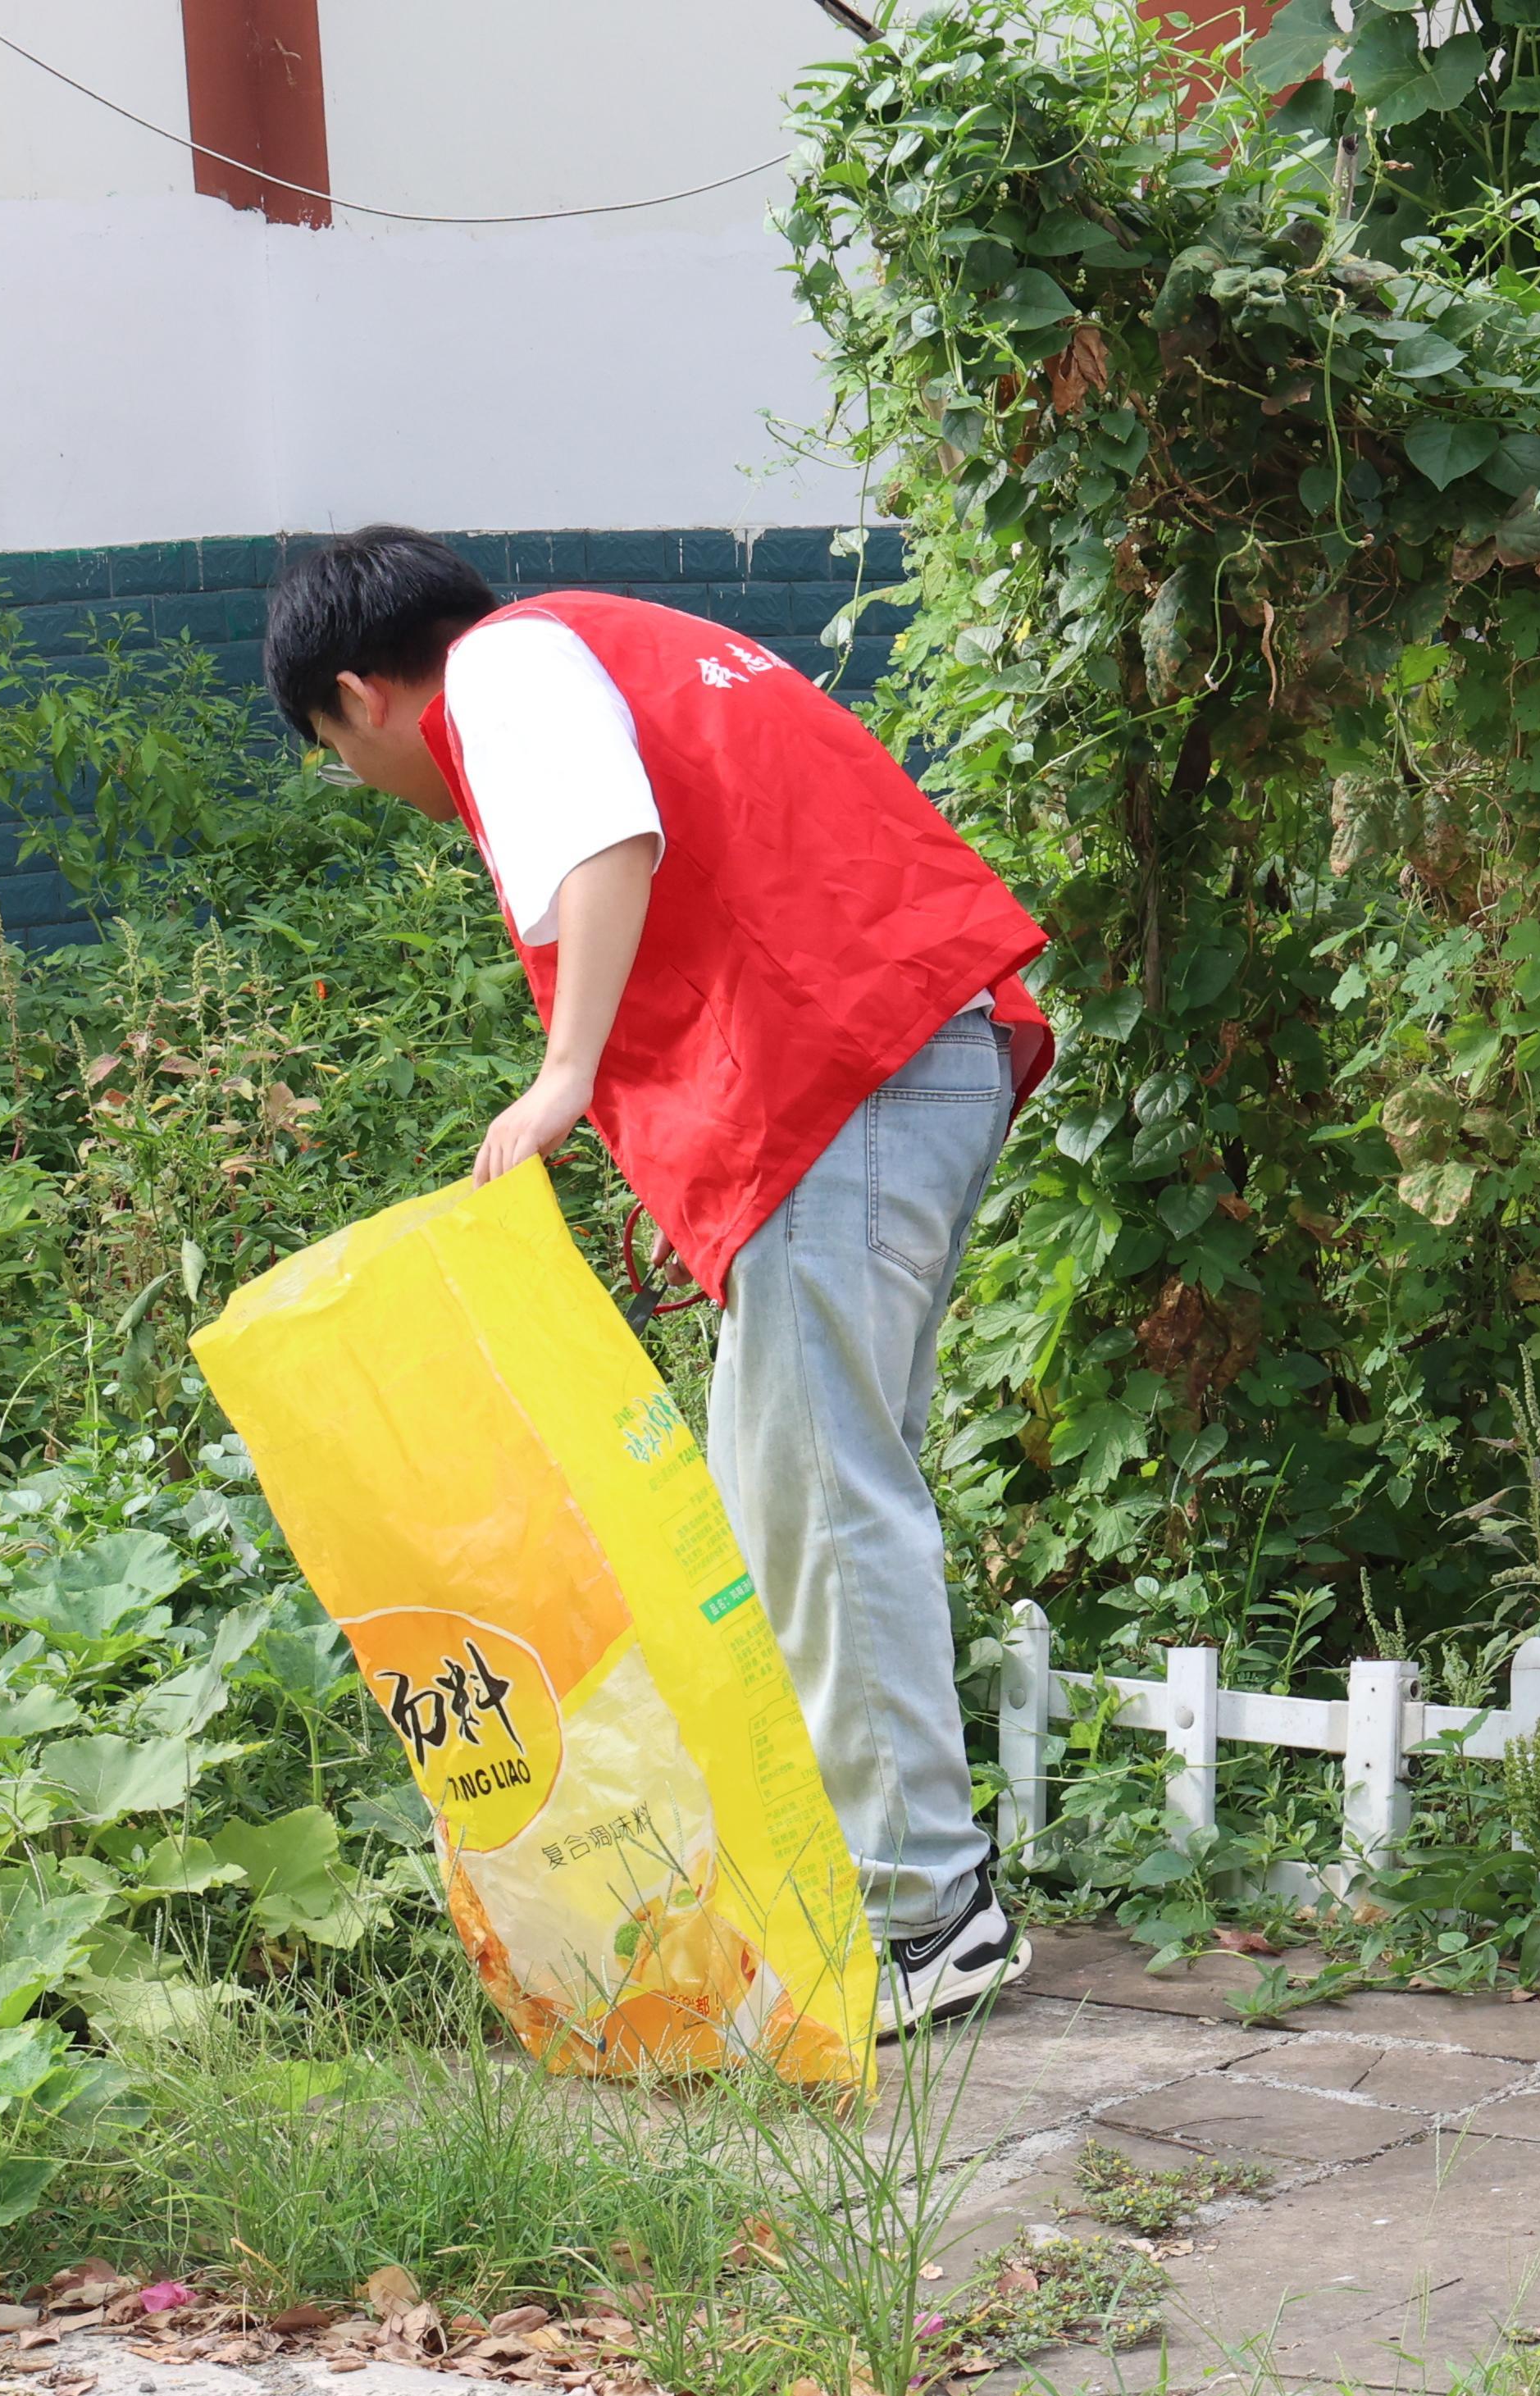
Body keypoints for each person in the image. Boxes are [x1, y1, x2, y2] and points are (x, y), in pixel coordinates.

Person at [260, 527, 1053, 2035]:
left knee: (821, 1500)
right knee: (787, 1497)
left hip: (852, 1074)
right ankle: (874, 1888)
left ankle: (928, 1915)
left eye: (333, 751)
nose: (369, 779)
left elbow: (609, 842)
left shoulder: (499, 667)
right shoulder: (600, 641)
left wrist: (562, 1077)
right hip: (893, 1060)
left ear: (360, 697)